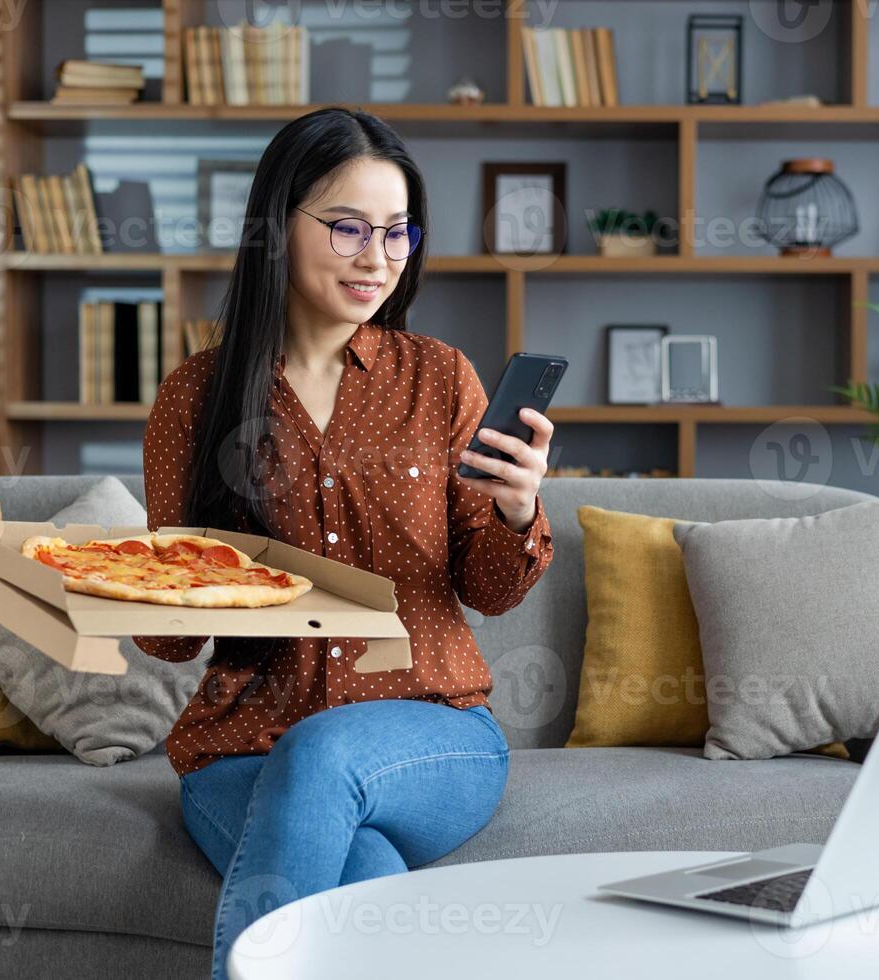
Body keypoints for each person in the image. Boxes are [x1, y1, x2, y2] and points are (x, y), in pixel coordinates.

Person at [133, 106, 555, 979]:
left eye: (398, 232)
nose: (378, 257)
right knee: (366, 888)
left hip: (432, 735)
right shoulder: (195, 397)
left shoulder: (441, 379)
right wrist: (155, 578)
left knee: (323, 753)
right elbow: (169, 641)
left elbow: (489, 586)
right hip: (240, 748)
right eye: (349, 228)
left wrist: (518, 514)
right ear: (276, 226)